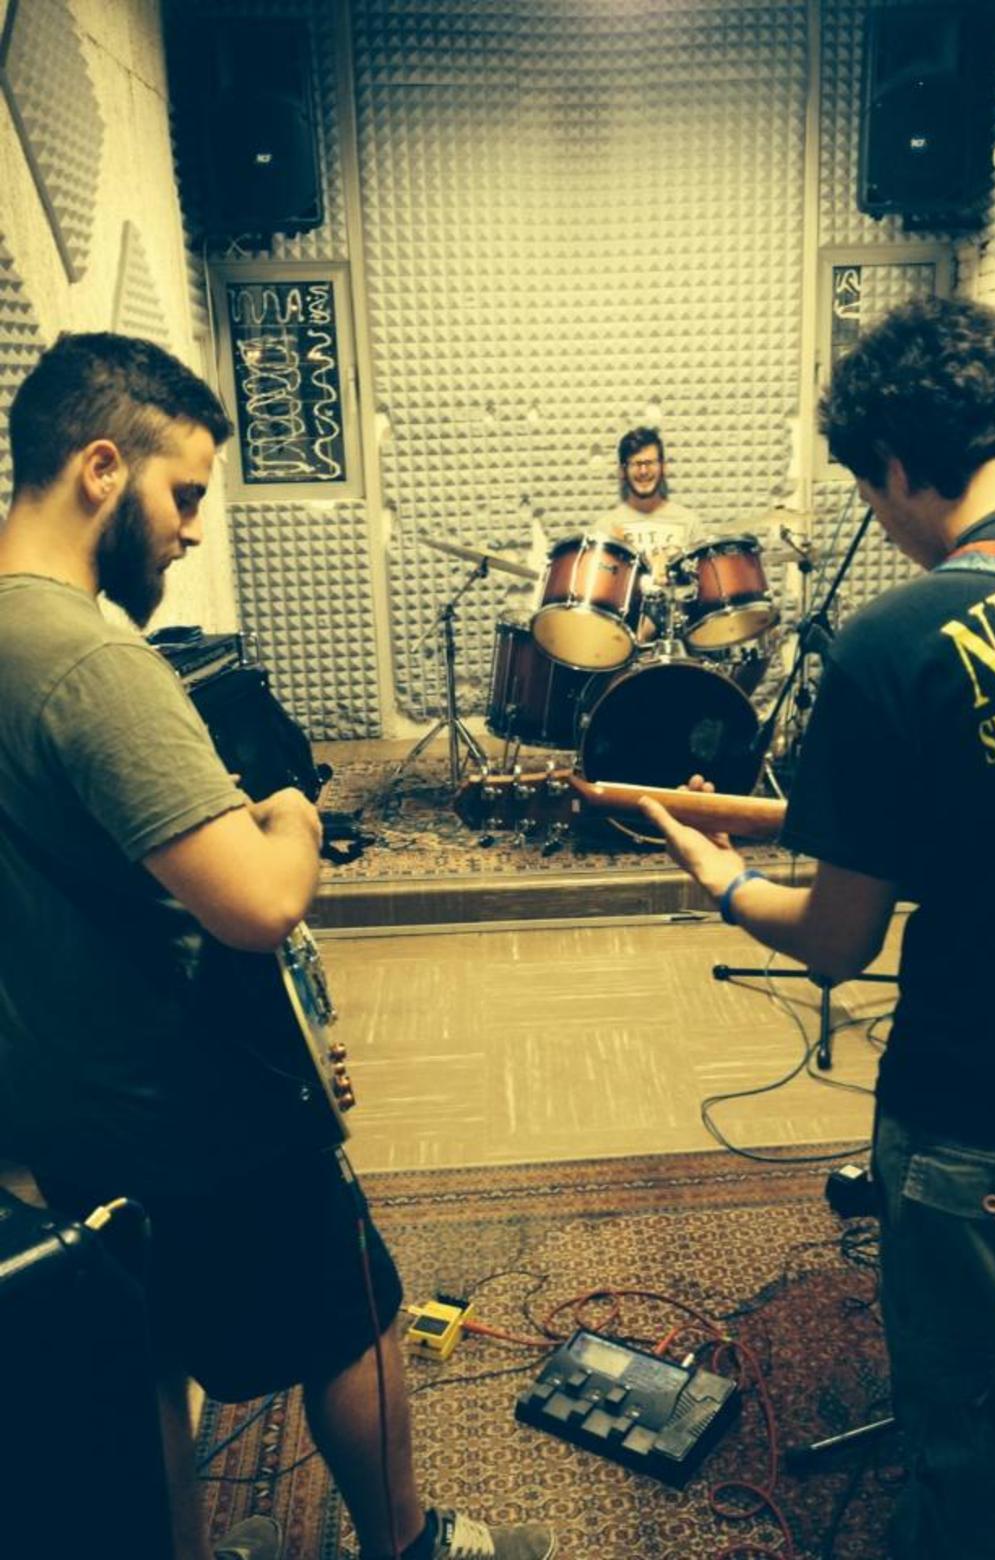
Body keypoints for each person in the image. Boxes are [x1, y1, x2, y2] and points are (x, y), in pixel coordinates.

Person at [0, 333, 556, 1560]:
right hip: (191, 1101)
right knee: (357, 1315)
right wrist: (294, 816)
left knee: (141, 1350)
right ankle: (409, 1544)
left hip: (56, 1101)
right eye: (184, 493)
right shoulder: (91, 658)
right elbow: (258, 904)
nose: (192, 529)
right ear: (102, 468)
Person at [640, 296, 995, 1559]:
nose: (882, 523)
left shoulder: (896, 641)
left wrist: (721, 878)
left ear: (892, 462)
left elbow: (839, 938)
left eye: (870, 495)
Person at [598, 426, 703, 581]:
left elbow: (703, 584)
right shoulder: (606, 528)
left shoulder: (689, 522)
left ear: (663, 467)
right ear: (622, 471)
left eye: (650, 462)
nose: (643, 471)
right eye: (636, 463)